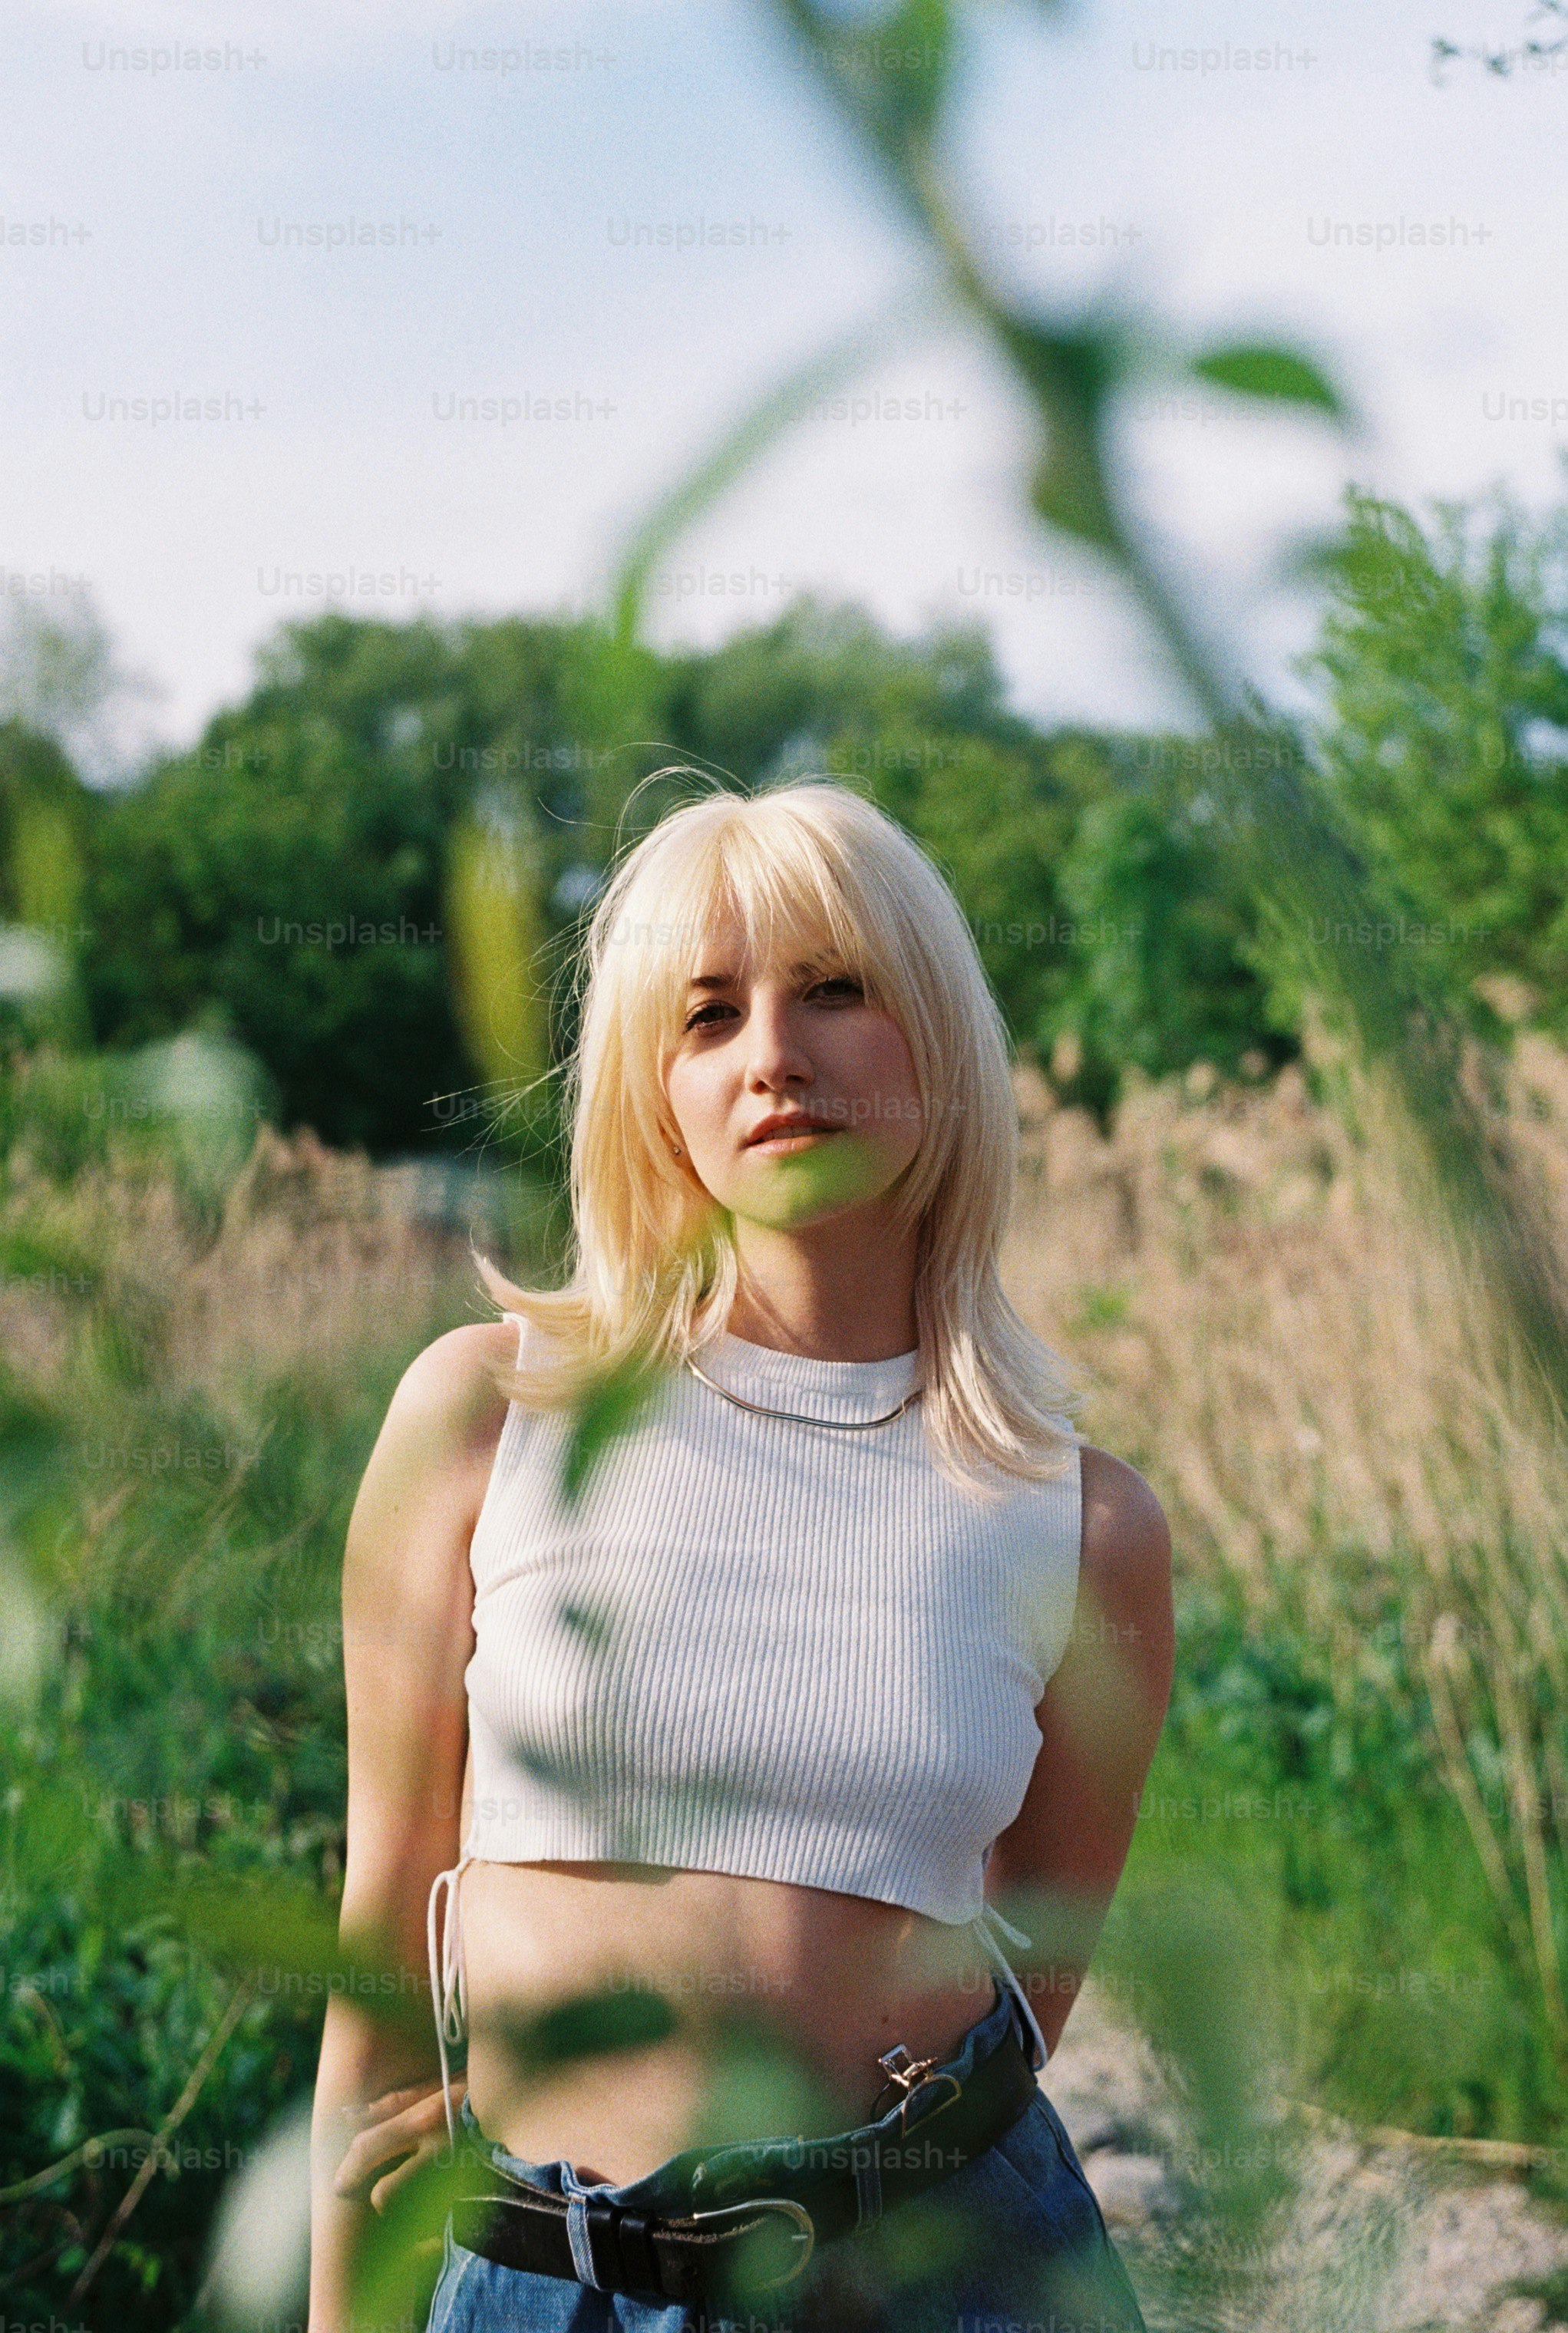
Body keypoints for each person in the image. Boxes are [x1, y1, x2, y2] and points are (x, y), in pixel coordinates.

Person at [308, 779, 1174, 2333]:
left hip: (942, 2270)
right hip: (541, 2280)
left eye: (834, 989)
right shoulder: (484, 1416)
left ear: (941, 1034)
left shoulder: (1084, 1523)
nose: (772, 1052)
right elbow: (380, 1932)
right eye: (706, 1015)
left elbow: (1029, 1985)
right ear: (654, 1090)